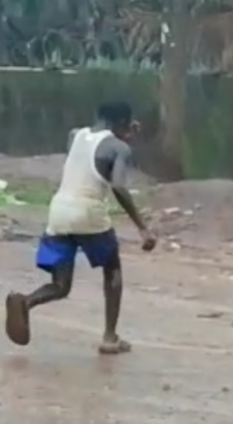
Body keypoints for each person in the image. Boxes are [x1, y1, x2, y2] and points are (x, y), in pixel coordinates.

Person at [4, 101, 157, 355]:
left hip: (59, 212)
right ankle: (110, 337)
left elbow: (91, 155)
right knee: (112, 270)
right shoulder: (119, 147)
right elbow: (118, 185)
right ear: (122, 123)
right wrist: (143, 227)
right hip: (88, 212)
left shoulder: (75, 135)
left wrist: (125, 134)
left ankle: (26, 302)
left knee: (61, 285)